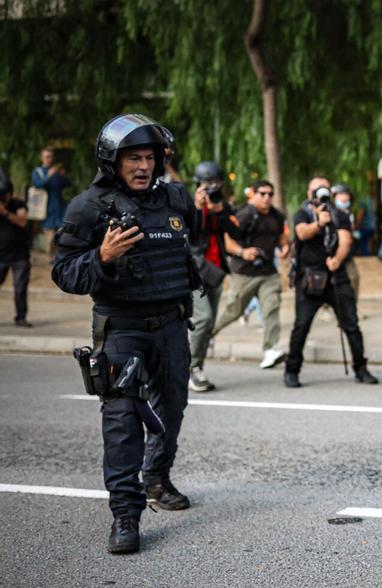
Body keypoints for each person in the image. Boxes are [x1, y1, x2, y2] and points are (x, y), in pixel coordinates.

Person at [51, 113, 203, 554]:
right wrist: (101, 255)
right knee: (122, 424)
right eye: (133, 158)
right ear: (112, 162)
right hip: (122, 329)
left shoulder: (175, 197)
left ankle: (156, 477)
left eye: (150, 157)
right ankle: (125, 516)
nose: (143, 166)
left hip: (172, 324)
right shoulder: (89, 207)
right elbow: (64, 273)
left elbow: (192, 239)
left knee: (172, 409)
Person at [283, 177, 378, 387]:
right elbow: (301, 233)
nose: (321, 193)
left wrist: (337, 259)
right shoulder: (302, 213)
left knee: (351, 325)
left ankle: (361, 369)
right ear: (309, 192)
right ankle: (292, 369)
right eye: (316, 189)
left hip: (337, 278)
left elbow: (346, 239)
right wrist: (319, 223)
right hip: (310, 278)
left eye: (324, 189)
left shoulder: (340, 214)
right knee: (301, 326)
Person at [211, 179, 289, 369]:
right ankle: (206, 337)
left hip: (268, 271)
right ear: (252, 194)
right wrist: (243, 252)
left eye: (270, 194)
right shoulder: (244, 214)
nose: (267, 198)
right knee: (233, 311)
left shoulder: (276, 216)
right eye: (262, 194)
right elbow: (228, 242)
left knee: (271, 308)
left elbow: (282, 237)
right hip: (244, 272)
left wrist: (285, 247)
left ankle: (270, 350)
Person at [186, 160, 236, 392]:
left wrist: (222, 209)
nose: (212, 187)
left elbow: (237, 231)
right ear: (198, 184)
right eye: (207, 183)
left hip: (215, 271)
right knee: (203, 318)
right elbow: (188, 234)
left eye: (216, 182)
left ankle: (197, 368)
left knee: (208, 324)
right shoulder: (189, 205)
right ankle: (191, 367)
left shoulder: (221, 206)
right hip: (197, 269)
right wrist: (198, 207)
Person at [0, 176, 33, 327]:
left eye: (5, 193)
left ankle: (21, 317)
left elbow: (22, 221)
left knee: (20, 289)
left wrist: (5, 212)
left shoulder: (18, 204)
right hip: (1, 255)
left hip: (19, 256)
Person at [31, 146, 73, 237]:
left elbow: (68, 185)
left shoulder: (56, 171)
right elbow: (38, 185)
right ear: (41, 158)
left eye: (51, 156)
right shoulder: (37, 172)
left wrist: (63, 176)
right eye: (46, 157)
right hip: (45, 211)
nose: (49, 159)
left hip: (59, 210)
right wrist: (48, 176)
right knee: (49, 241)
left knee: (61, 241)